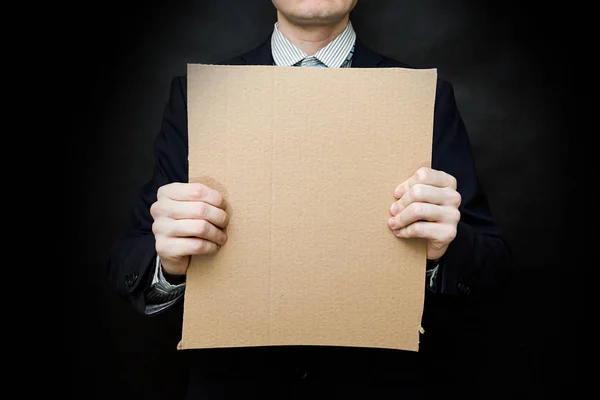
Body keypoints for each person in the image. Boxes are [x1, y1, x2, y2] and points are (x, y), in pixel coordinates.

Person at [108, 0, 513, 398]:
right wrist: (170, 264)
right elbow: (131, 258)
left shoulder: (425, 99)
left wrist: (444, 251)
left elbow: (492, 265)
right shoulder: (201, 96)